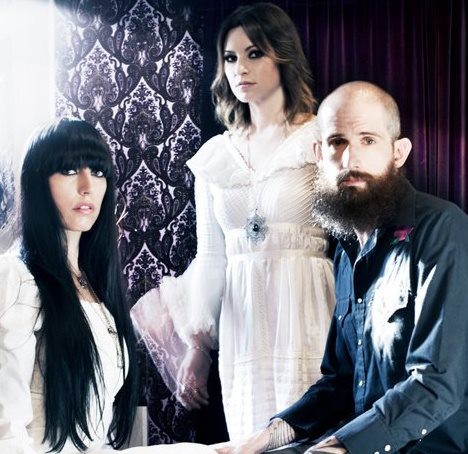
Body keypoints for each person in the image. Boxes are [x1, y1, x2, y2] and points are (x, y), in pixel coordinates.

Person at [213, 80, 468, 454]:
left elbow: (435, 383)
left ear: (398, 152)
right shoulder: (346, 253)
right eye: (337, 142)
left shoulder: (442, 229)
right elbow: (340, 382)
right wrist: (261, 439)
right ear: (319, 154)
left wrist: (339, 447)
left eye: (368, 140)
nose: (350, 160)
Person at [131, 2, 335, 440]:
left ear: (283, 55)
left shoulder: (320, 138)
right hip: (243, 322)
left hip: (307, 305)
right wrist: (199, 347)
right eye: (230, 57)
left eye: (254, 53)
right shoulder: (215, 156)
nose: (239, 68)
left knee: (309, 435)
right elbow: (212, 255)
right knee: (250, 438)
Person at [0, 118, 215, 454]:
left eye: (99, 171)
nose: (87, 185)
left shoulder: (95, 287)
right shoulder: (15, 277)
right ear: (38, 181)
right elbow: (5, 430)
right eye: (69, 170)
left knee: (206, 451)